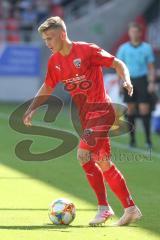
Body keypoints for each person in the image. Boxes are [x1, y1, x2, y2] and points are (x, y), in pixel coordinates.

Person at [23, 16, 142, 226]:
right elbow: (48, 86)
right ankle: (129, 208)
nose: (48, 43)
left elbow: (117, 63)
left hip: (102, 111)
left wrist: (126, 79)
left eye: (50, 38)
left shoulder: (87, 50)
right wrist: (32, 108)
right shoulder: (55, 61)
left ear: (62, 34)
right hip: (86, 118)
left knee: (83, 154)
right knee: (103, 162)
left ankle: (104, 208)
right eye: (45, 40)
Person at [117, 22, 156, 148]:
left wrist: (151, 82)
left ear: (140, 33)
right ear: (129, 33)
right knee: (131, 110)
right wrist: (119, 83)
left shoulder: (146, 48)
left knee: (145, 110)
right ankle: (132, 140)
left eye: (136, 31)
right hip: (129, 81)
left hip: (142, 81)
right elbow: (119, 67)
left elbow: (151, 67)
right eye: (131, 31)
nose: (133, 34)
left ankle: (148, 140)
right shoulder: (123, 48)